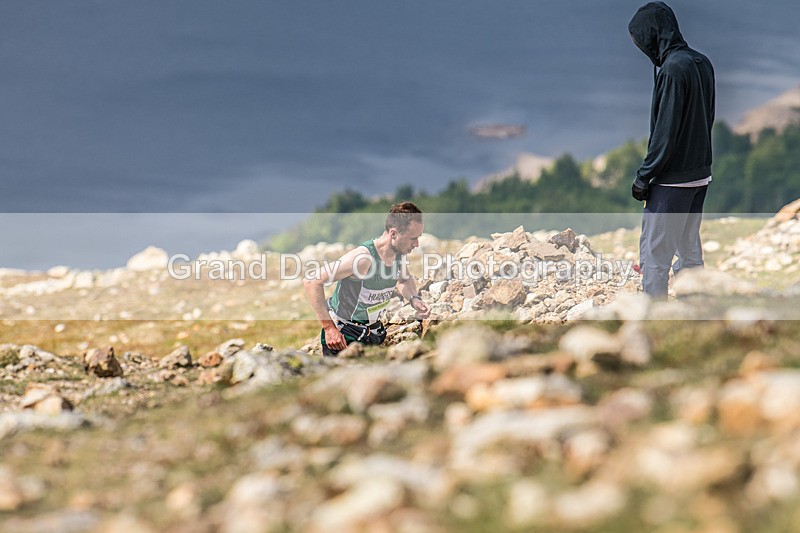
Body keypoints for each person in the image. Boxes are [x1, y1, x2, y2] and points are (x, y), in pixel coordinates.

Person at [628, 2, 715, 298]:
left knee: (655, 256)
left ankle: (655, 320)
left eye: (643, 40)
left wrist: (644, 177)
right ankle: (696, 312)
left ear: (654, 35)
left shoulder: (672, 70)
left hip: (672, 181)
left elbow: (664, 134)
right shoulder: (701, 62)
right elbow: (708, 118)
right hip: (700, 176)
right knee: (689, 252)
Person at [303, 201, 431, 356]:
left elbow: (403, 280)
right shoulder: (363, 259)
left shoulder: (398, 254)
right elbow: (312, 281)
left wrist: (414, 299)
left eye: (418, 237)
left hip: (372, 333)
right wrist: (329, 328)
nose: (417, 244)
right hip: (343, 337)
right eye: (413, 238)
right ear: (393, 233)